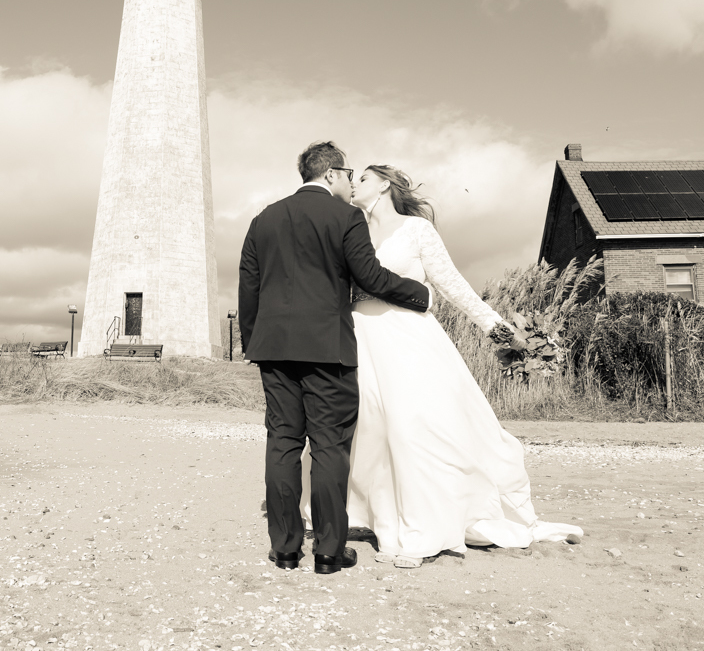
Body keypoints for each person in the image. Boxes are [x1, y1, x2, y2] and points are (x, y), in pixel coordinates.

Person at [343, 164, 583, 568]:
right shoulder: (353, 232)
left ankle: (423, 530)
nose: (354, 184)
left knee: (412, 427)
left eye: (363, 178)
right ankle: (381, 517)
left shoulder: (416, 230)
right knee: (371, 429)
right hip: (362, 337)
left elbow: (451, 283)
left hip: (407, 338)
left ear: (384, 184)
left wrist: (496, 326)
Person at [238, 142, 431, 575]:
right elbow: (370, 276)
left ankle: (285, 549)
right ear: (329, 174)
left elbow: (248, 288)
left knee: (282, 443)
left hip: (274, 350)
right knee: (329, 447)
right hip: (328, 350)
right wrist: (418, 294)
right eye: (347, 173)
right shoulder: (345, 218)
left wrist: (255, 342)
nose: (349, 181)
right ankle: (328, 550)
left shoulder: (263, 219)